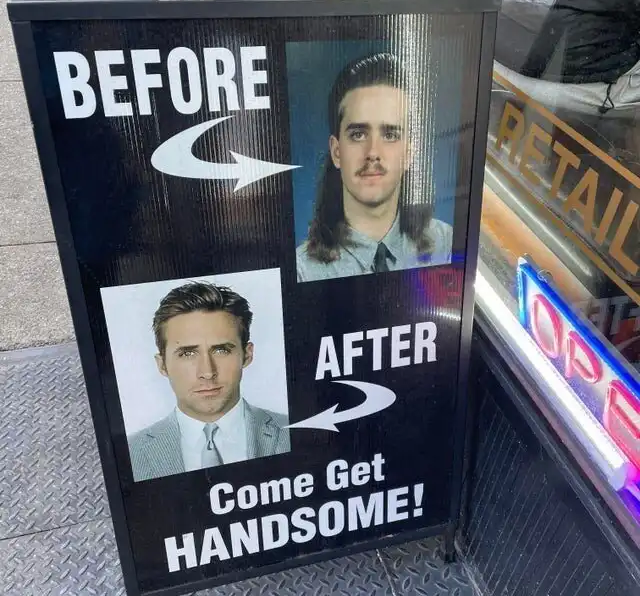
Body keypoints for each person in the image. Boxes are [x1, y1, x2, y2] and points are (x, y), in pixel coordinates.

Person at [296, 52, 452, 283]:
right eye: (358, 134)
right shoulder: (302, 272)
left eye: (390, 134)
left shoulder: (447, 245)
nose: (372, 152)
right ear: (337, 152)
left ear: (409, 153)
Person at [128, 281, 290, 482]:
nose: (207, 372)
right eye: (187, 353)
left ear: (247, 355)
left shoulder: (294, 432)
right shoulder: (130, 453)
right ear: (162, 365)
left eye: (221, 350)